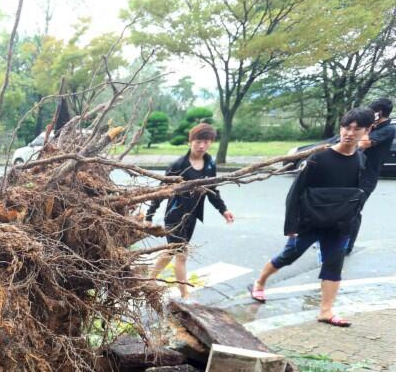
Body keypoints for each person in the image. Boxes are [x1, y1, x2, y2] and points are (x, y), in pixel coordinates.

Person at [248, 107, 375, 326]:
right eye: (346, 127)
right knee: (288, 257)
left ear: (368, 130)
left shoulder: (360, 160)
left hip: (339, 224)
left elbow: (355, 195)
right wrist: (291, 225)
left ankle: (325, 311)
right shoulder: (319, 158)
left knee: (334, 264)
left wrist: (352, 221)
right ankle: (259, 283)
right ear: (341, 127)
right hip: (309, 222)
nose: (350, 133)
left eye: (357, 129)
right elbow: (295, 193)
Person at [145, 123, 235, 299]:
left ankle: (149, 278)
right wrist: (149, 215)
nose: (202, 146)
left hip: (192, 215)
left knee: (171, 251)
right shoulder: (178, 165)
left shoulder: (210, 163)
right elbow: (161, 191)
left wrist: (223, 210)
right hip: (175, 214)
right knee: (181, 254)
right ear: (190, 142)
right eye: (198, 141)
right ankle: (185, 295)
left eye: (206, 142)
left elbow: (212, 190)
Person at [346, 98, 394, 254]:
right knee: (341, 207)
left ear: (378, 113)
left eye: (371, 112)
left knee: (354, 210)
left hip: (367, 177)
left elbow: (363, 143)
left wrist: (369, 126)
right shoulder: (370, 127)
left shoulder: (388, 129)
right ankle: (334, 240)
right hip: (352, 171)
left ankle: (347, 245)